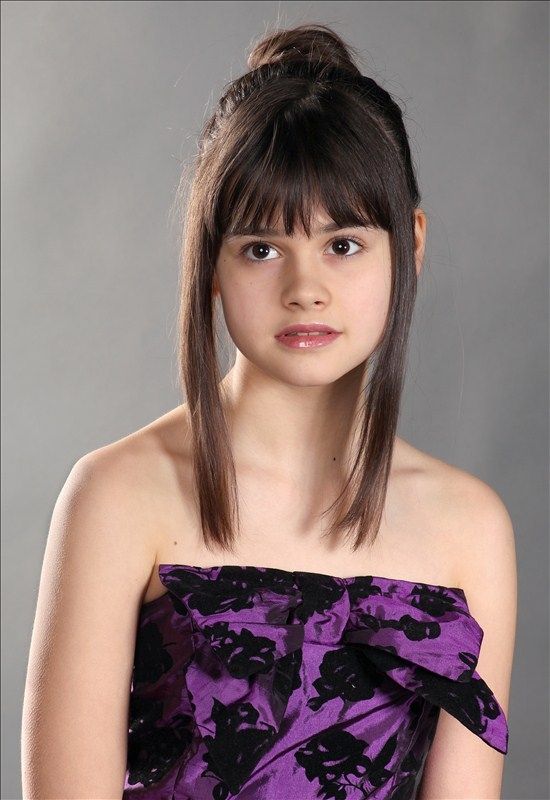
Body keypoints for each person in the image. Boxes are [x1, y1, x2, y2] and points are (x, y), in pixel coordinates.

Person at [21, 22, 516, 800]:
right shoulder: (117, 496)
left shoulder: (469, 528)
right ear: (211, 261)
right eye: (261, 248)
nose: (305, 289)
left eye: (343, 244)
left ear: (410, 246)